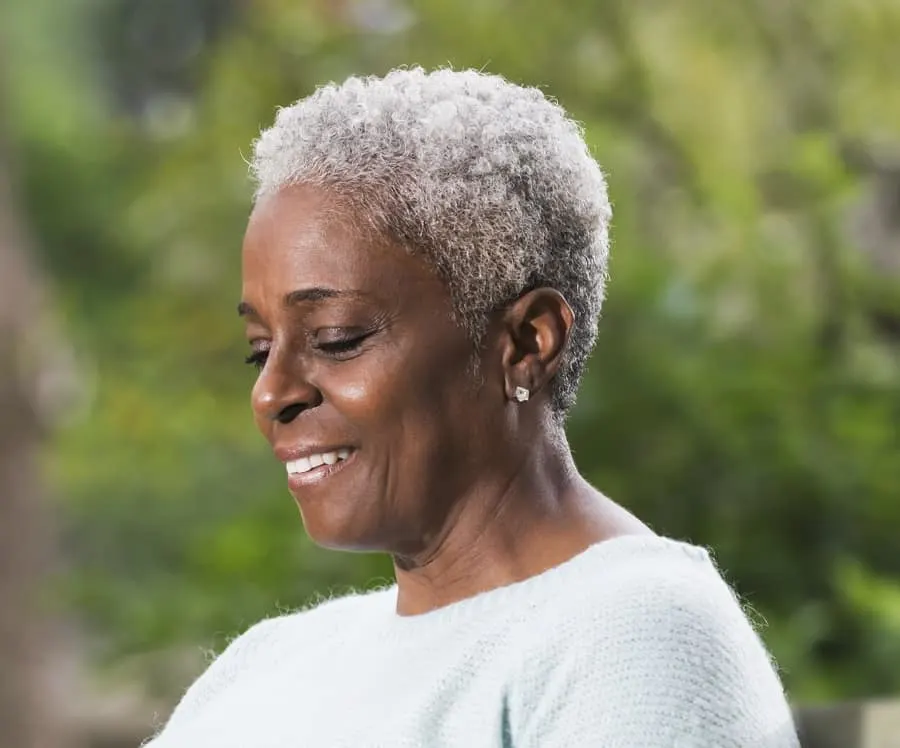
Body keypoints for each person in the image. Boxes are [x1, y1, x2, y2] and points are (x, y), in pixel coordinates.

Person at [144, 67, 800, 747]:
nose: (271, 392)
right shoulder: (266, 665)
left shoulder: (633, 633)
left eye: (337, 340)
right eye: (258, 348)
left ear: (526, 343)